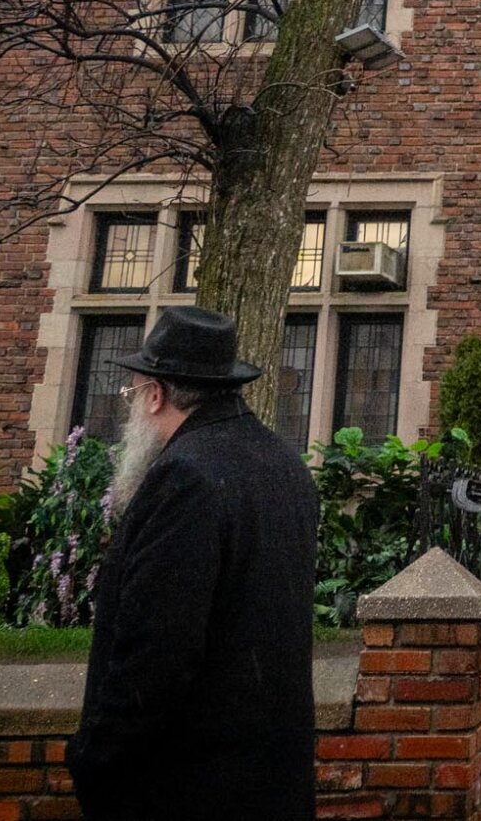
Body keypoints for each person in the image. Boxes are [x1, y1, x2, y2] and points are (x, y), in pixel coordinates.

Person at [66, 305, 321, 821]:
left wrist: (94, 761)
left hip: (192, 788)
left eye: (132, 393)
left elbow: (156, 653)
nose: (133, 406)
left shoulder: (184, 476)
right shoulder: (284, 464)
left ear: (156, 393)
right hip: (272, 783)